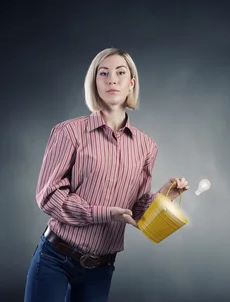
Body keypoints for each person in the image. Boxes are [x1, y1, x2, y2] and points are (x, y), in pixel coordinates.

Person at [24, 48, 190, 302]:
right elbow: (49, 197)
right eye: (104, 73)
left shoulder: (147, 146)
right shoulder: (69, 132)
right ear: (95, 83)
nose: (112, 79)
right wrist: (103, 213)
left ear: (131, 83)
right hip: (54, 259)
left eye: (120, 73)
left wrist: (163, 196)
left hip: (100, 269)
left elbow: (135, 209)